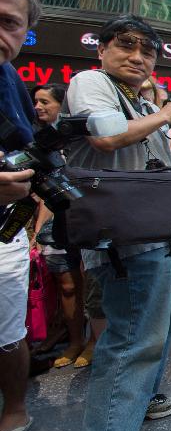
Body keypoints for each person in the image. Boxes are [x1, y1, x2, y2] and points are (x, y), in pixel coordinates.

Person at [64, 14, 171, 431]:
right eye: (127, 45)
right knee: (130, 338)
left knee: (158, 324)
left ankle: (141, 398)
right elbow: (105, 137)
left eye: (147, 50)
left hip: (154, 227)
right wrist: (167, 114)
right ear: (101, 48)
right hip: (122, 235)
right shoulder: (91, 82)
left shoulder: (138, 102)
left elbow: (163, 166)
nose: (138, 56)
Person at [0, 0, 42, 431]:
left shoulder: (10, 82)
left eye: (11, 23)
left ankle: (14, 405)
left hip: (6, 230)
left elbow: (33, 153)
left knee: (7, 330)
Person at [29, 84, 90, 368]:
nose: (38, 107)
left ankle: (94, 340)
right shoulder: (34, 140)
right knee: (67, 285)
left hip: (88, 217)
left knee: (92, 283)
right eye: (35, 102)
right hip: (57, 222)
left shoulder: (79, 135)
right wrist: (38, 233)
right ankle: (74, 339)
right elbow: (44, 195)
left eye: (45, 101)